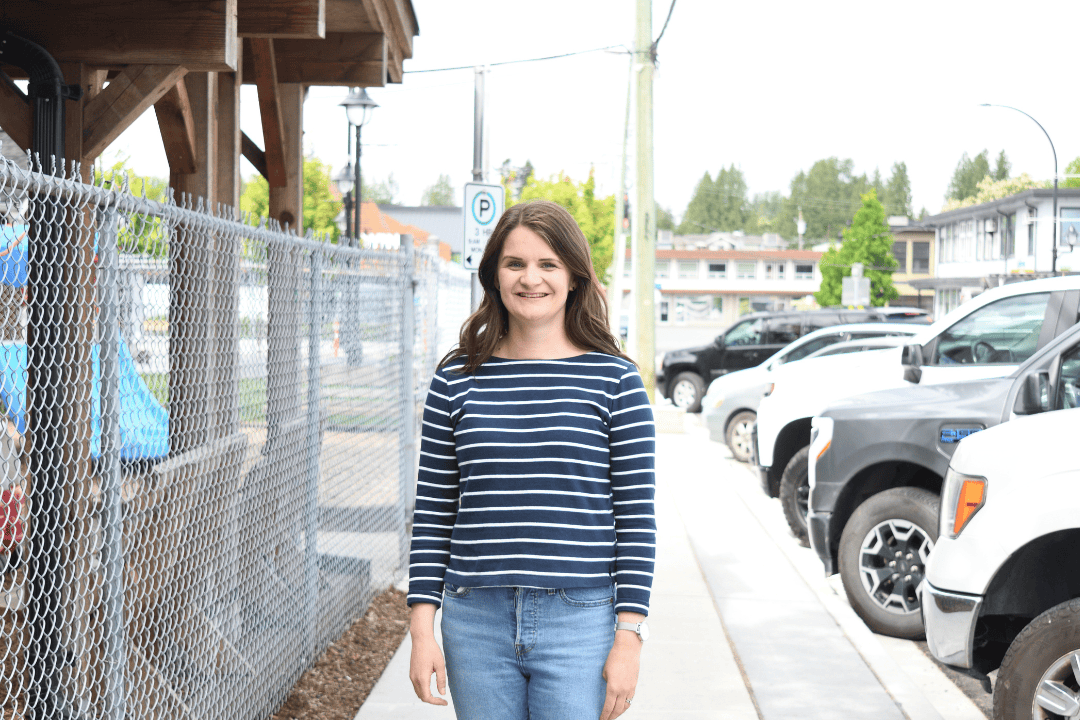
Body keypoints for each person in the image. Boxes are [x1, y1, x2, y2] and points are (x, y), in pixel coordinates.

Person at [407, 200, 656, 720]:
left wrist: (629, 637)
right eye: (515, 263)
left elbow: (636, 521)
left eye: (548, 264)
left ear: (573, 276)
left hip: (580, 622)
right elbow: (433, 513)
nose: (530, 278)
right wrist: (422, 630)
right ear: (494, 275)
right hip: (475, 621)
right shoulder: (455, 380)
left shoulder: (616, 381)